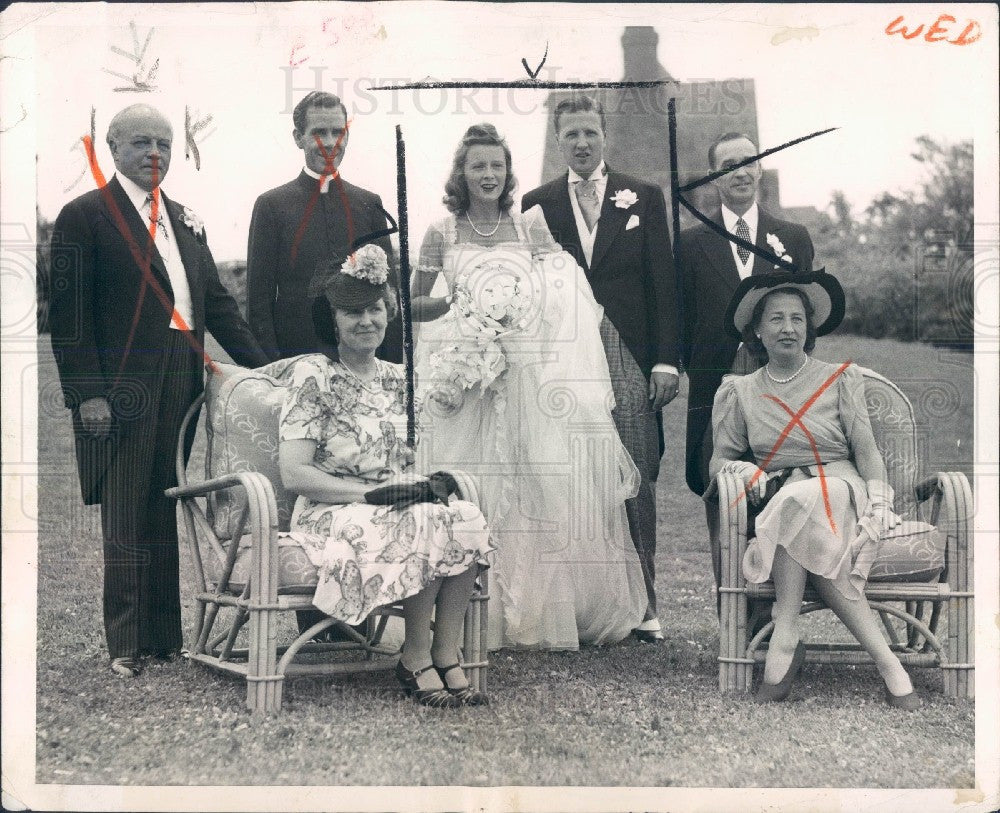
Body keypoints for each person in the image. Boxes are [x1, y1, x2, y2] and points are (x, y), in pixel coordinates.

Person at [47, 103, 270, 678]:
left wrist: (265, 368)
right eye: (142, 142)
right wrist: (86, 395)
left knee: (164, 499)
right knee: (124, 505)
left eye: (165, 145)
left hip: (180, 372)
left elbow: (215, 303)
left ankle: (164, 636)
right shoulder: (85, 215)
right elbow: (70, 318)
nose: (155, 154)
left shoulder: (185, 218)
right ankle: (125, 643)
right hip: (120, 381)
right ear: (112, 147)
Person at [411, 123, 647, 650]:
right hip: (467, 377)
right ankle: (467, 611)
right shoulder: (441, 232)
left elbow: (565, 297)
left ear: (508, 172)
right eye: (478, 166)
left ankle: (537, 612)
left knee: (535, 484)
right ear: (462, 173)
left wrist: (521, 318)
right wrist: (462, 308)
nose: (488, 175)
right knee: (468, 482)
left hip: (526, 378)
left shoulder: (530, 228)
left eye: (496, 165)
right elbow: (415, 304)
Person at [278, 242, 494, 707]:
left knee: (466, 516)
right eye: (351, 312)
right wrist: (368, 492)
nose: (366, 321)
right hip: (329, 511)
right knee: (424, 521)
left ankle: (445, 651)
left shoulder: (400, 378)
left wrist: (413, 486)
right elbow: (295, 474)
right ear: (331, 320)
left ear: (390, 312)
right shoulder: (312, 375)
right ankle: (414, 657)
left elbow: (404, 462)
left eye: (375, 309)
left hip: (394, 506)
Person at [709, 270, 919, 708]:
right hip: (787, 495)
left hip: (841, 485)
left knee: (797, 501)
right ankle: (887, 662)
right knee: (796, 504)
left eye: (798, 319)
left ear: (809, 328)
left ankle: (784, 629)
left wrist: (879, 500)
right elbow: (719, 460)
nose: (789, 328)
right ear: (758, 332)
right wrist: (741, 469)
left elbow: (865, 447)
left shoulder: (841, 377)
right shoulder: (739, 391)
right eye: (777, 320)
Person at [522, 95, 680, 643]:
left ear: (604, 136)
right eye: (571, 135)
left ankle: (647, 605)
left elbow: (664, 284)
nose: (582, 143)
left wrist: (665, 360)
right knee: (573, 475)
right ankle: (586, 602)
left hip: (631, 353)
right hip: (567, 355)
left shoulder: (644, 196)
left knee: (637, 471)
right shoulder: (538, 203)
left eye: (590, 132)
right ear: (559, 141)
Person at [679, 131, 814, 501]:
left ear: (760, 169)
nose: (741, 173)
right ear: (714, 175)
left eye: (749, 163)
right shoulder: (690, 244)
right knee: (720, 487)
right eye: (729, 166)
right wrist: (703, 365)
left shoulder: (793, 237)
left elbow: (807, 319)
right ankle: (724, 560)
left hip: (779, 377)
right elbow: (683, 319)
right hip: (714, 381)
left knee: (784, 484)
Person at [246, 91, 402, 363]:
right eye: (319, 132)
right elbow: (259, 306)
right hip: (296, 361)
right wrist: (271, 373)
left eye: (337, 132)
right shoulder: (272, 205)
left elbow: (388, 300)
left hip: (363, 364)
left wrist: (392, 371)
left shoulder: (369, 204)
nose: (330, 143)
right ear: (298, 138)